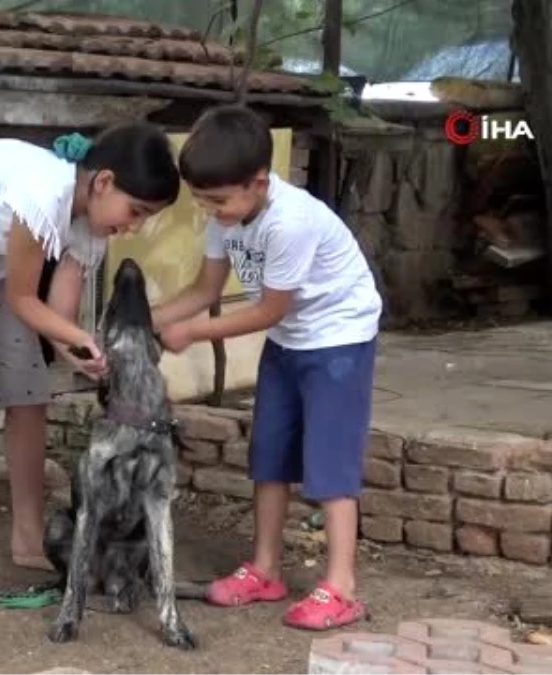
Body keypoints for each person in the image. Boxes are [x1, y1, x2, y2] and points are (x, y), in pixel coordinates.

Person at [0, 123, 181, 622]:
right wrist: (76, 338)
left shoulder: (92, 227)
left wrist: (77, 349)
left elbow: (55, 315)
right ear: (103, 182)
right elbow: (24, 299)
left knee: (28, 393)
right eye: (137, 212)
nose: (135, 227)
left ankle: (27, 537)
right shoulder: (43, 194)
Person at [152, 105, 382, 631]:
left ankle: (341, 586)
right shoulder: (226, 217)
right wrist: (142, 321)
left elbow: (267, 310)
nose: (211, 210)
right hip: (289, 341)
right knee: (269, 456)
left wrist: (189, 333)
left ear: (258, 183)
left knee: (330, 463)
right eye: (203, 200)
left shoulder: (290, 222)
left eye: (218, 199)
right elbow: (204, 292)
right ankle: (265, 569)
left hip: (337, 340)